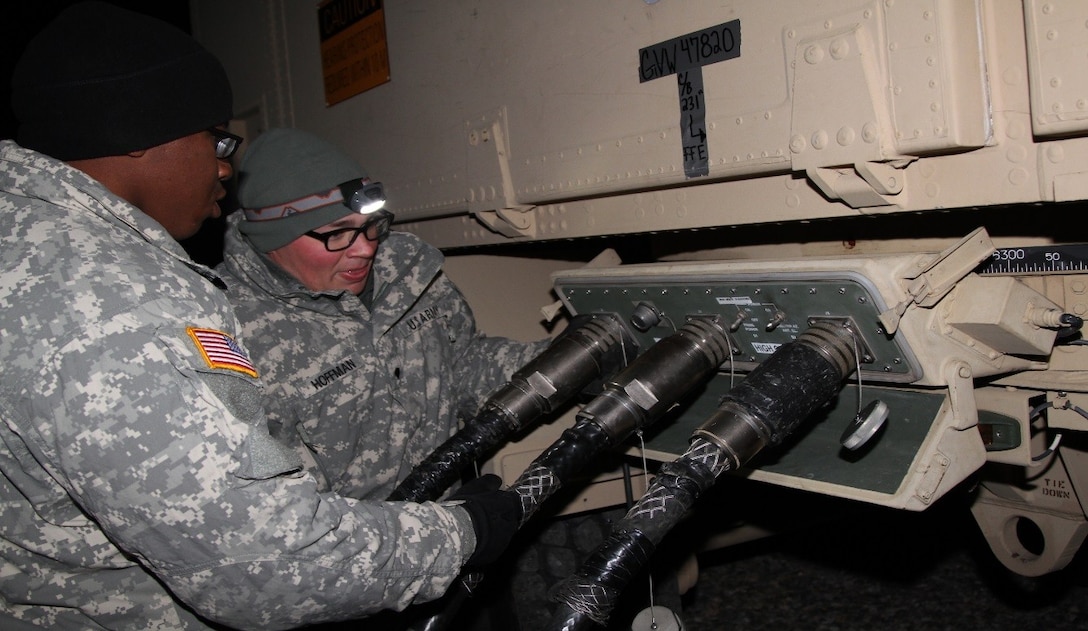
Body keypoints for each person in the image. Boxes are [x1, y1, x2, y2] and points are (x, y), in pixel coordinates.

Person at [0, 3, 519, 629]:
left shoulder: (34, 250)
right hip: (352, 581)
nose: (224, 166)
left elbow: (458, 359)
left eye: (372, 228)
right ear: (136, 129)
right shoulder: (119, 307)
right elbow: (268, 557)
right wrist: (461, 533)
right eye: (216, 139)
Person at [215, 127, 551, 503]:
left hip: (450, 530)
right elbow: (277, 509)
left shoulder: (408, 271)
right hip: (351, 554)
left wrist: (568, 358)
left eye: (371, 226)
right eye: (337, 234)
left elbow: (463, 365)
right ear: (273, 238)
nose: (365, 249)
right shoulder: (228, 330)